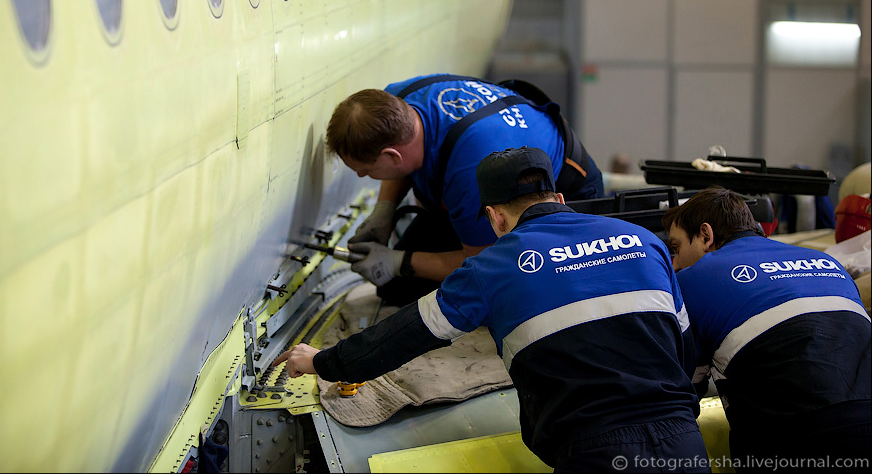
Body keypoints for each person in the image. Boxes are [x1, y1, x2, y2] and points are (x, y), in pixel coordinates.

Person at [274, 147, 709, 473]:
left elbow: (406, 335)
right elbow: (685, 347)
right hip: (685, 441)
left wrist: (325, 363)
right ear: (558, 198)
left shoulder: (492, 267)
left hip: (595, 449)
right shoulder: (641, 240)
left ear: (495, 218)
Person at [326, 74, 604, 305]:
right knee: (396, 289)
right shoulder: (396, 102)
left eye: (366, 170)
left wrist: (398, 261)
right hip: (479, 167)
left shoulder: (474, 171)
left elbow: (483, 259)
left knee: (501, 292)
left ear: (392, 156)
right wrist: (384, 211)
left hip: (565, 193)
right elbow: (401, 161)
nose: (364, 176)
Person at [661, 187, 871, 470]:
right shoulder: (830, 263)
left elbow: (684, 394)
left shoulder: (692, 279)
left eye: (676, 248)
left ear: (705, 236)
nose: (673, 263)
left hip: (795, 439)